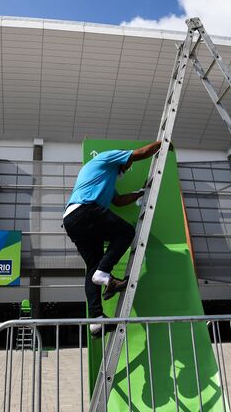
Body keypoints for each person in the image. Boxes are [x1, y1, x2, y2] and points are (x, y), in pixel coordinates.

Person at [63, 141, 161, 338]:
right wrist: (162, 144)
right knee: (125, 232)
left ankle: (96, 322)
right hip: (85, 210)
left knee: (92, 266)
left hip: (72, 219)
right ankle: (104, 274)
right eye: (126, 165)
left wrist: (140, 193)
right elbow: (139, 153)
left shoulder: (104, 179)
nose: (127, 168)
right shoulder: (106, 158)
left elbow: (118, 201)